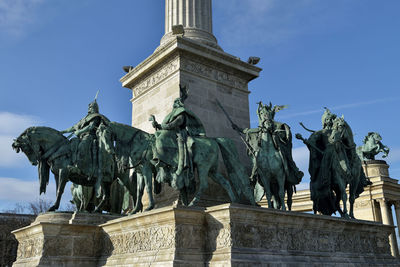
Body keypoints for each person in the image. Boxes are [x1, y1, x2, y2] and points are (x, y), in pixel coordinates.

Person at [150, 84, 205, 190]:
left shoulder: (181, 114)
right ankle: (161, 161)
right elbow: (167, 125)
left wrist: (163, 126)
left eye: (176, 103)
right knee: (157, 138)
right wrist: (157, 125)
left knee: (162, 139)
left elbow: (173, 124)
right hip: (171, 133)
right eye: (175, 103)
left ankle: (177, 166)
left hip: (179, 133)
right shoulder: (173, 114)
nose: (175, 106)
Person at [61, 94, 111, 196]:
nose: (89, 108)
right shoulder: (84, 118)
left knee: (82, 146)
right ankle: (74, 163)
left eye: (91, 107)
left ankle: (81, 167)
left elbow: (91, 127)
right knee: (73, 143)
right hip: (80, 137)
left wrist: (80, 132)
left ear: (95, 108)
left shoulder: (96, 117)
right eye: (89, 107)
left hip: (91, 136)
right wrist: (61, 132)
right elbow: (73, 128)